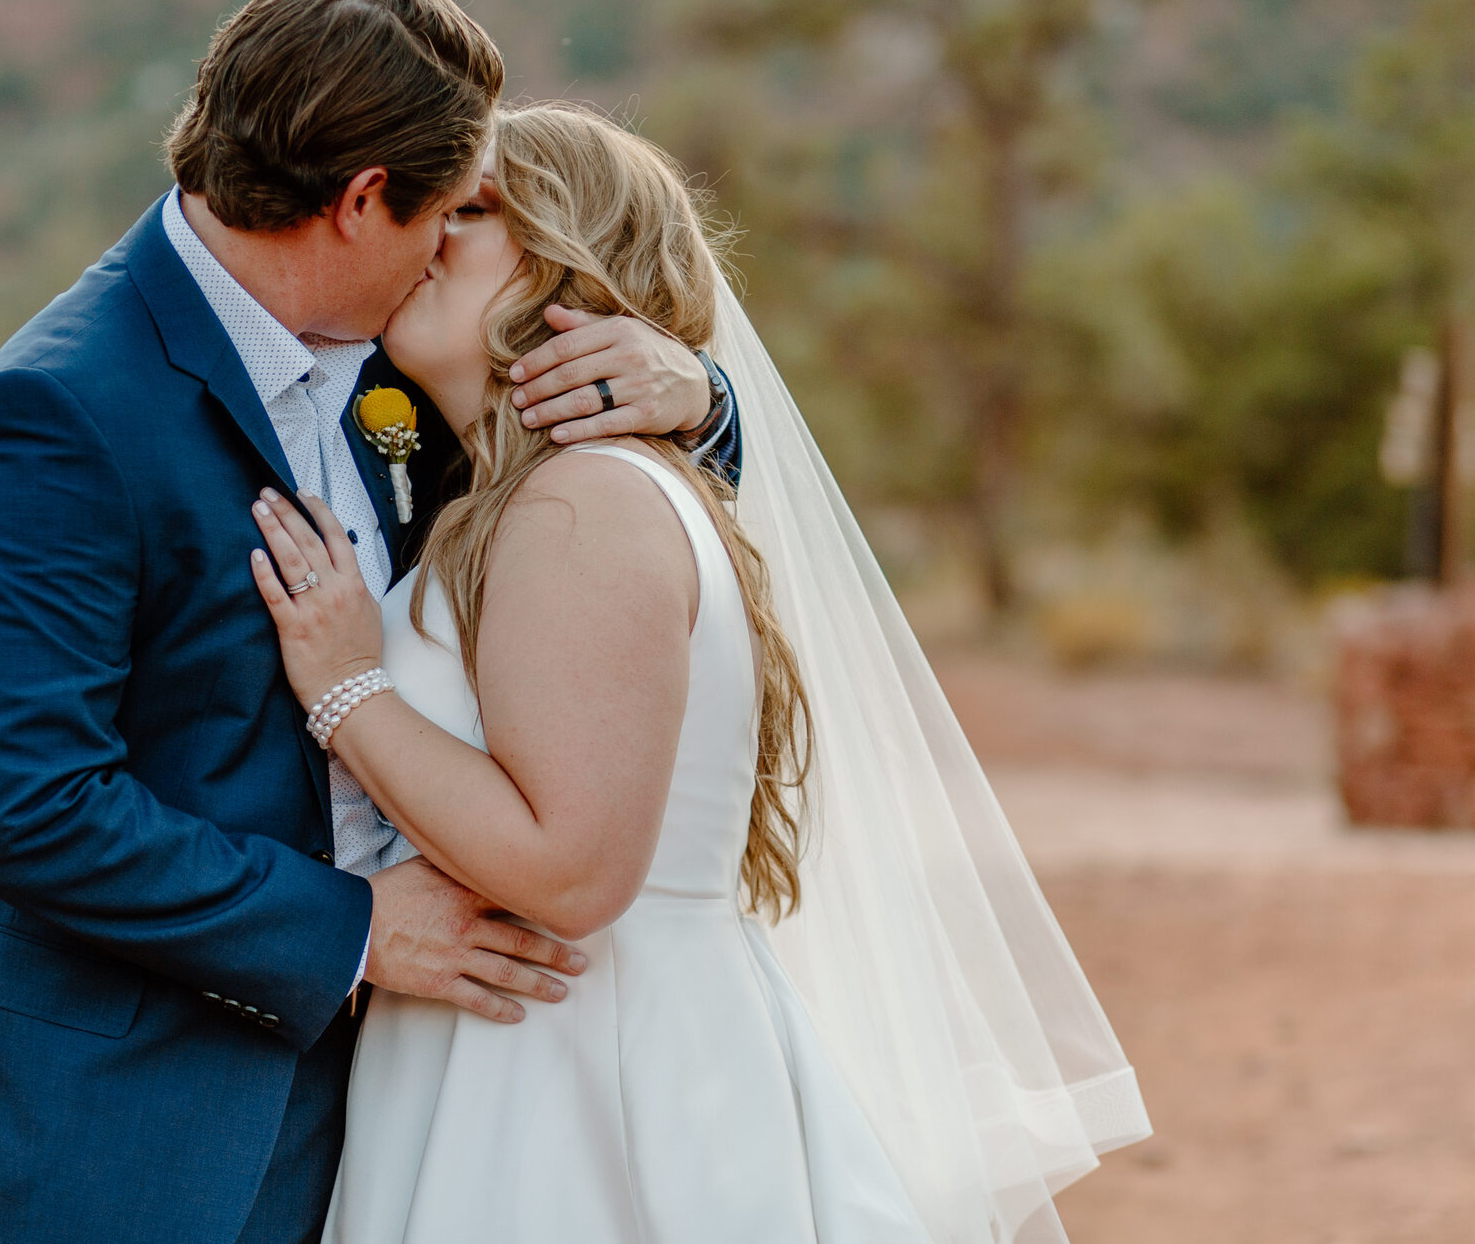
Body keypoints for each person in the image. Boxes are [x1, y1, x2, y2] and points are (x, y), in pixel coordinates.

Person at [0, 0, 742, 1244]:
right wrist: (351, 933)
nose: (452, 244)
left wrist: (699, 394)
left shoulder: (413, 360)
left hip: (410, 1115)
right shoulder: (58, 414)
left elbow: (605, 532)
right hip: (132, 1132)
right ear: (361, 200)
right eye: (449, 208)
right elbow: (26, 806)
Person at [248, 104, 1150, 1244]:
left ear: (566, 275)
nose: (425, 231)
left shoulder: (581, 502)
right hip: (520, 1037)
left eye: (471, 211)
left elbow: (570, 871)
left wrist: (347, 689)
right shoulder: (513, 492)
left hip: (579, 1069)